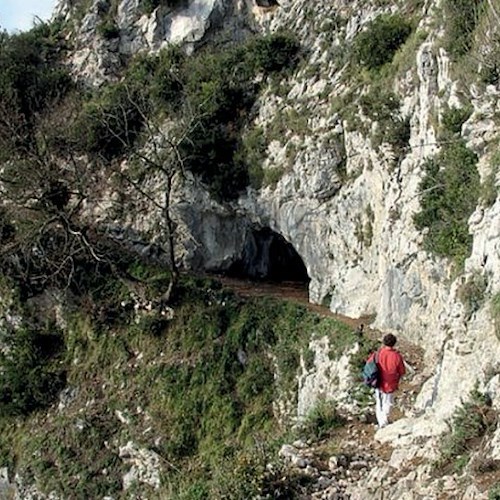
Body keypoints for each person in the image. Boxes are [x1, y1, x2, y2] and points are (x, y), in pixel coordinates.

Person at [374, 333, 405, 428]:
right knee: (388, 402)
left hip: (379, 382)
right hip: (391, 383)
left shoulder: (379, 353)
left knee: (379, 402)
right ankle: (385, 421)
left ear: (384, 342)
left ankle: (382, 423)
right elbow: (402, 371)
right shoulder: (397, 356)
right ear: (394, 343)